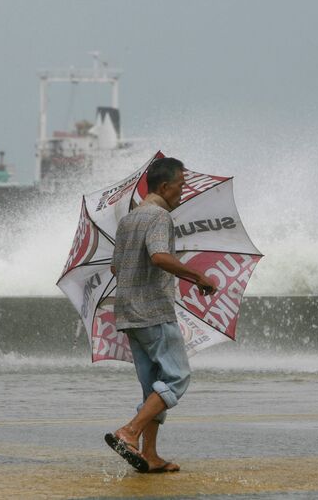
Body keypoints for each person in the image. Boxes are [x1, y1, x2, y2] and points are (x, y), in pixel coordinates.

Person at [106, 157, 217, 473]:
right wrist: (198, 277)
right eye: (180, 186)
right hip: (153, 310)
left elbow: (117, 267)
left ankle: (150, 455)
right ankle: (129, 432)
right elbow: (159, 257)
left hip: (128, 312)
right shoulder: (159, 217)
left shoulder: (129, 220)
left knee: (153, 384)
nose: (182, 193)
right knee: (176, 377)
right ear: (165, 186)